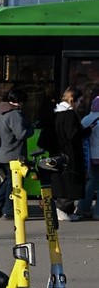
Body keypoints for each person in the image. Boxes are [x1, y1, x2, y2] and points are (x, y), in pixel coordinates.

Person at [0, 88, 34, 220]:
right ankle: (8, 210)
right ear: (20, 101)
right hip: (14, 154)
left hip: (2, 153)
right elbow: (21, 134)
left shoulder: (1, 111)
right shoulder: (14, 114)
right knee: (14, 183)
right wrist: (31, 128)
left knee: (9, 180)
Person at [52, 87, 90, 221]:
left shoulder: (56, 113)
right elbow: (73, 134)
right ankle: (62, 209)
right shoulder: (69, 114)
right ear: (73, 99)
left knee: (66, 182)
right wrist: (86, 132)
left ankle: (68, 211)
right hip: (70, 154)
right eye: (80, 100)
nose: (80, 104)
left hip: (59, 153)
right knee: (71, 183)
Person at [76, 95, 99, 219]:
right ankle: (97, 213)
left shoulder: (86, 118)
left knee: (92, 181)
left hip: (90, 156)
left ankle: (82, 207)